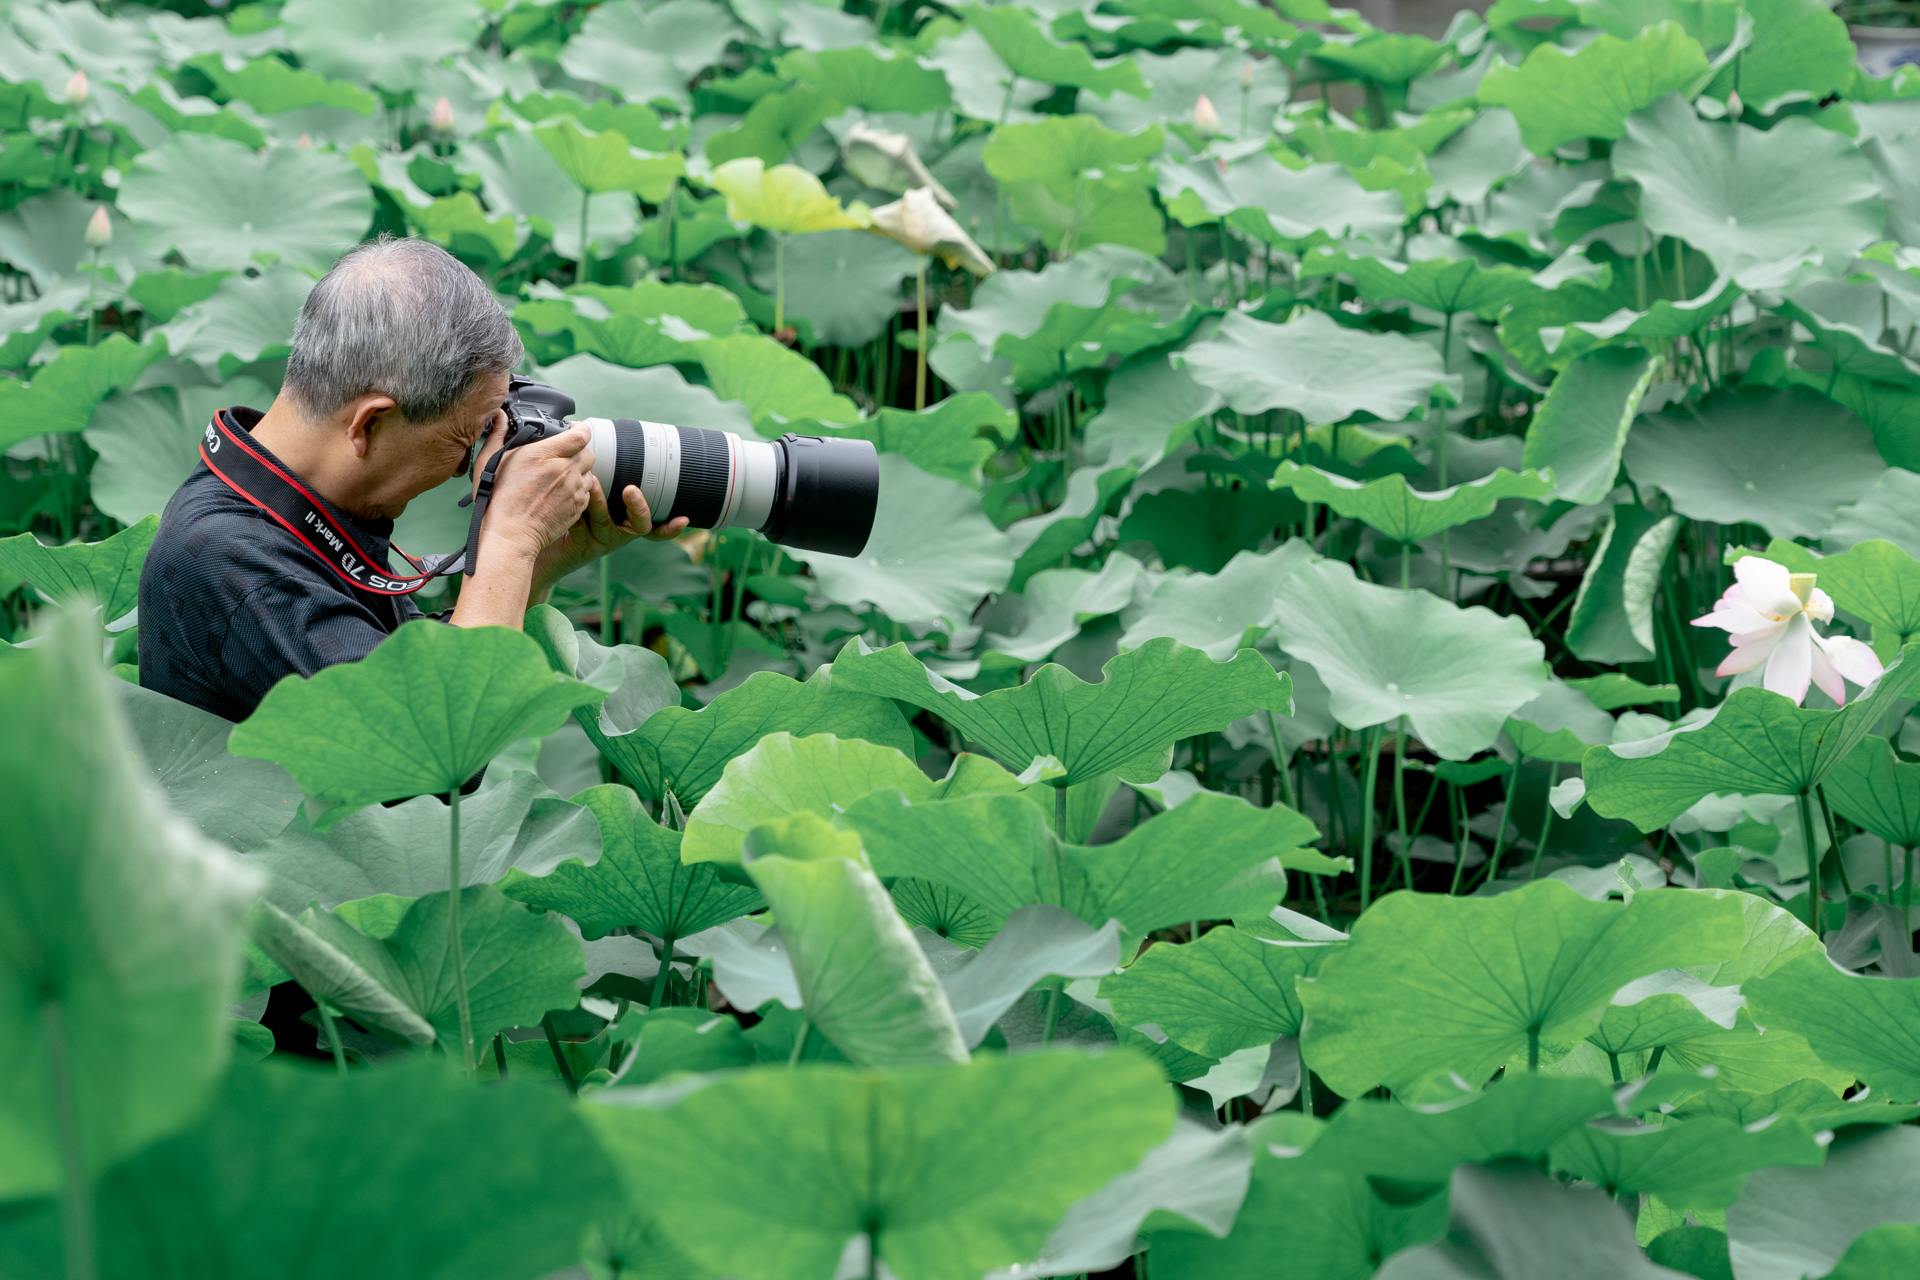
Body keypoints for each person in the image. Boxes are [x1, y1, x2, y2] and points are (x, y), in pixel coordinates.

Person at [138, 236, 687, 722]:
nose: (465, 466)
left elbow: (417, 677)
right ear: (369, 422)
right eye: (464, 438)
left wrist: (543, 559)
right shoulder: (233, 561)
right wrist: (509, 541)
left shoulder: (300, 501)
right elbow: (441, 740)